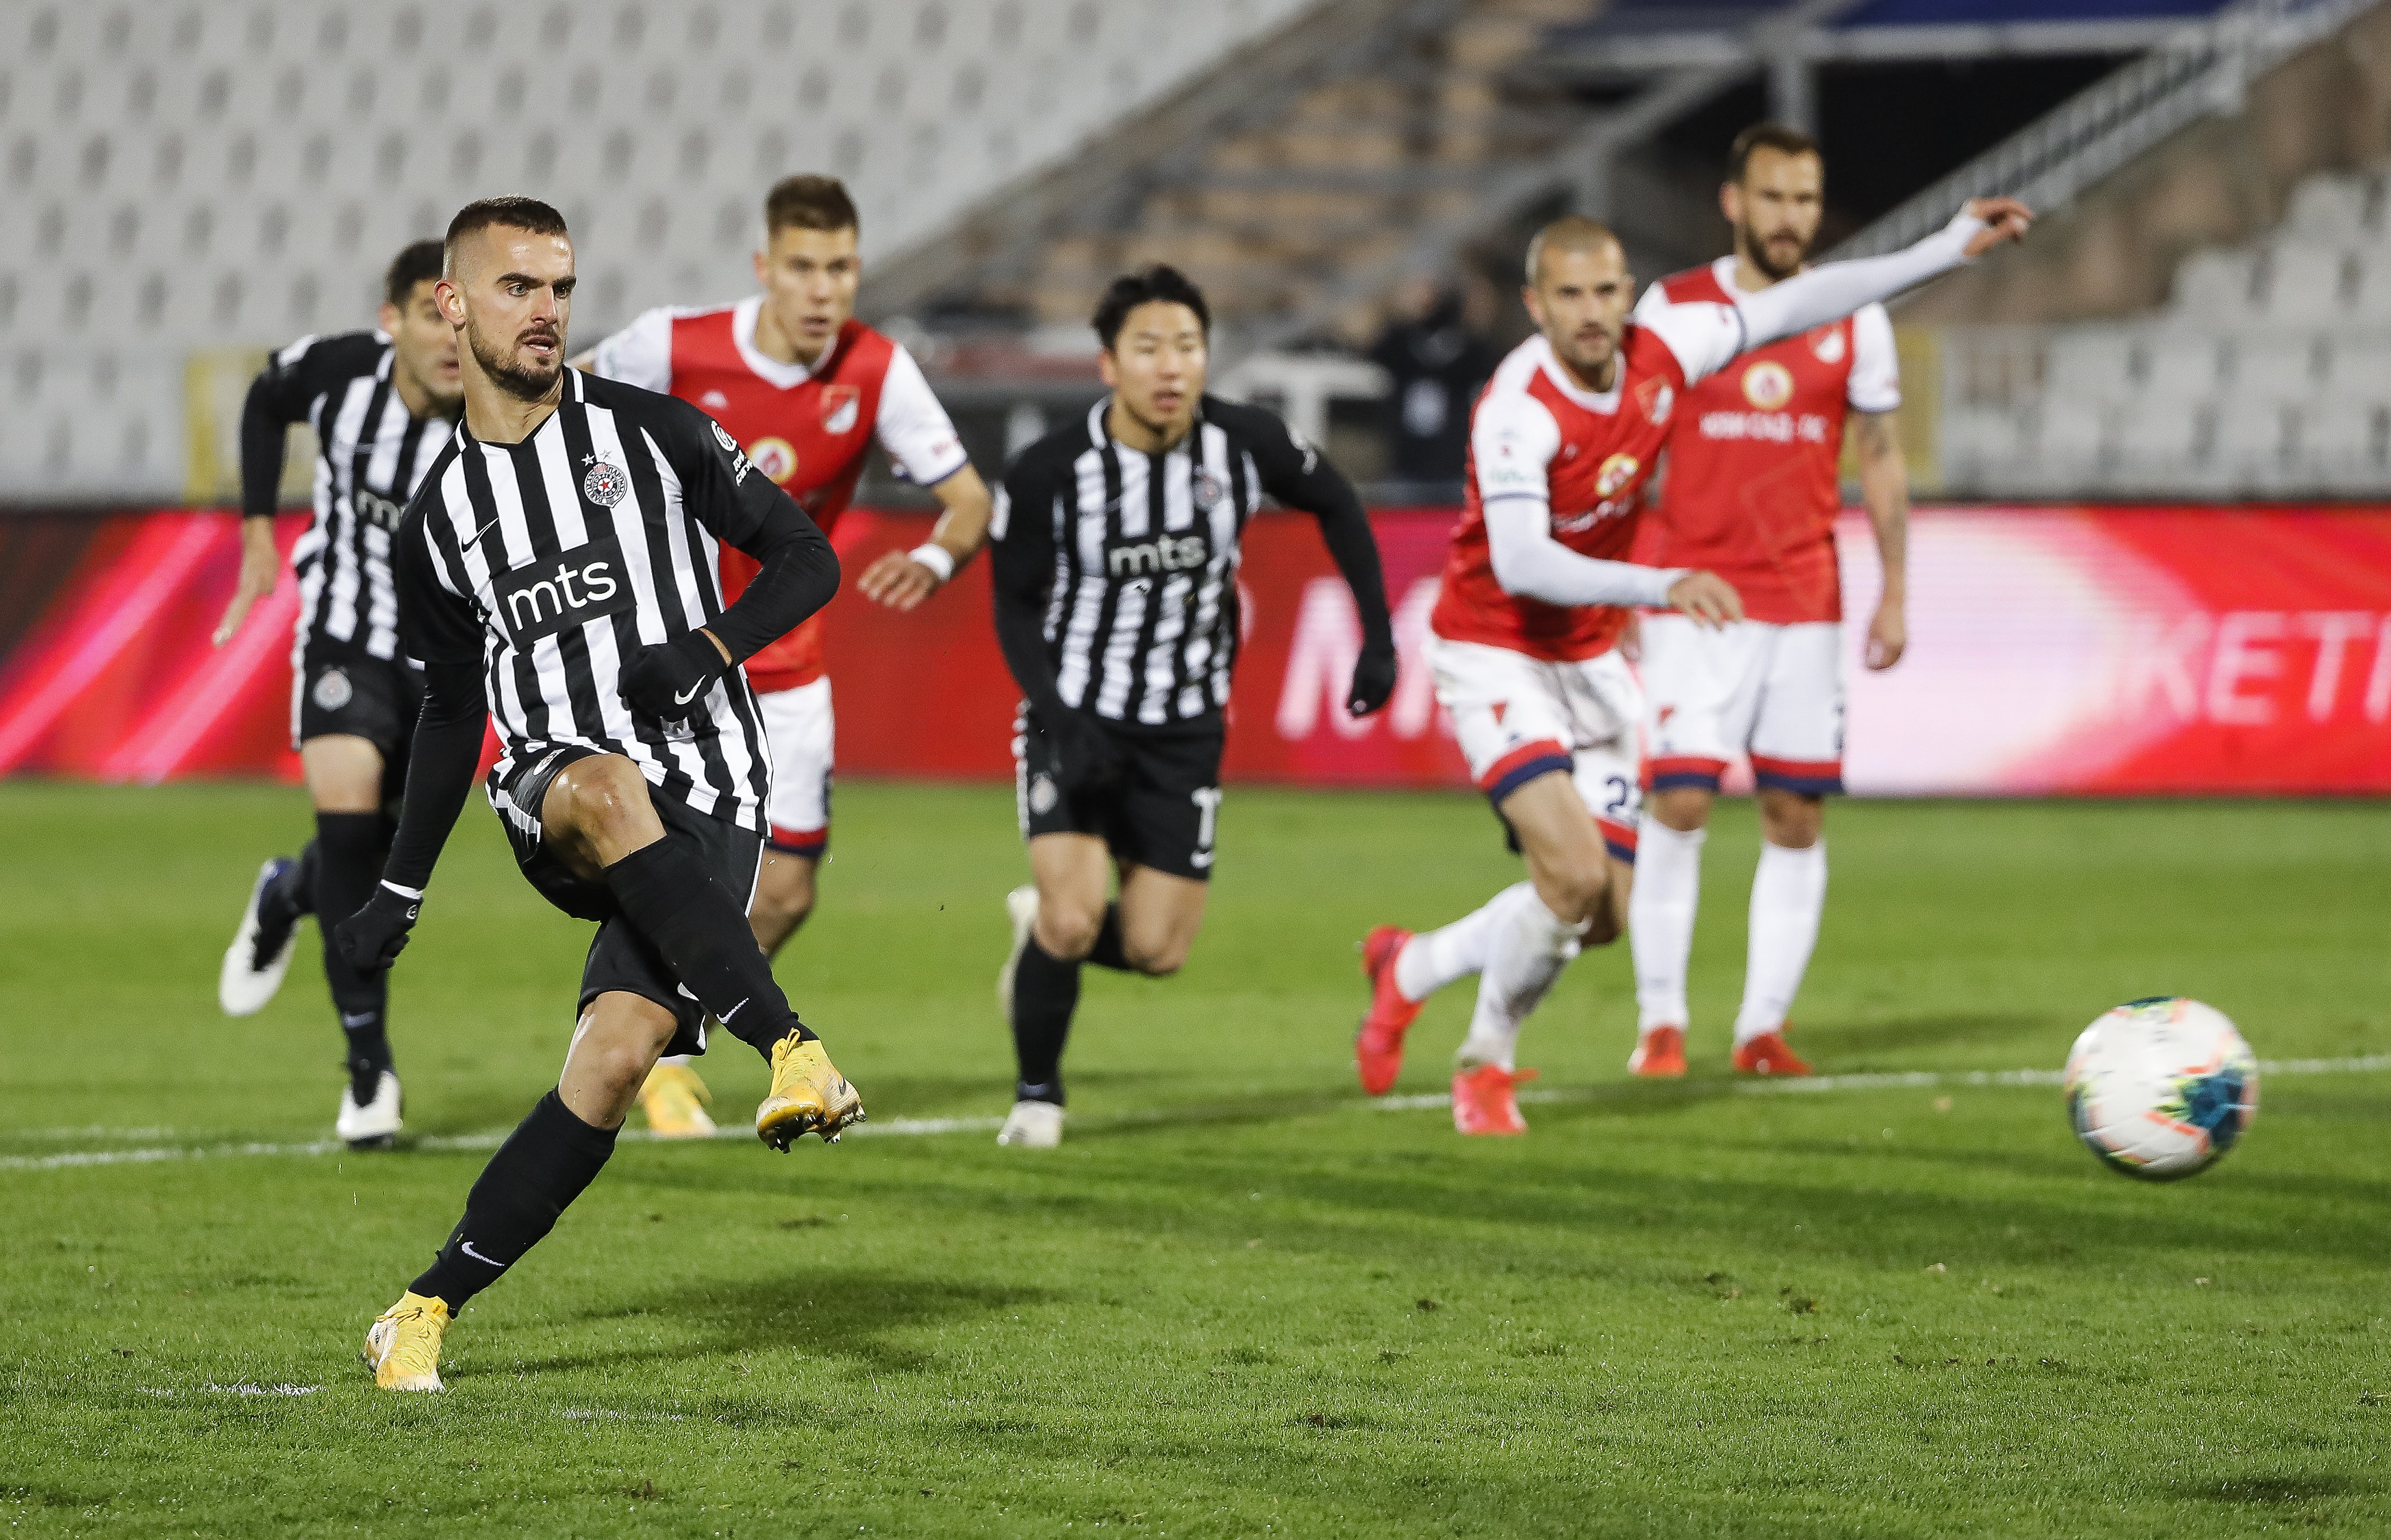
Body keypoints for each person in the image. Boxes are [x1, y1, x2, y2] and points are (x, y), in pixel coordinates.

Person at [1351, 198, 2031, 1135]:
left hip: (1588, 657)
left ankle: (1412, 966)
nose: (1590, 313)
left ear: (1627, 294)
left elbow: (1810, 299)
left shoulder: (1666, 347)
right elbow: (1520, 560)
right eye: (1568, 296)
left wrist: (1942, 249)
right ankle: (1485, 1059)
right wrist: (1659, 581)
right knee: (1573, 876)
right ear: (1533, 305)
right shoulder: (1516, 407)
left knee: (1597, 915)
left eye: (1604, 292)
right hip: (1495, 653)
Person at [337, 198, 861, 1392]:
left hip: (714, 788)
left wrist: (713, 649)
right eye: (519, 287)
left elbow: (808, 556)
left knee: (615, 1061)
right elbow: (452, 709)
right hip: (557, 786)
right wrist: (399, 887)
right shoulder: (438, 521)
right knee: (603, 782)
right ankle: (791, 1044)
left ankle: (423, 1304)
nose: (549, 312)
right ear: (450, 304)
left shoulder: (660, 434)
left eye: (563, 287)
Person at [578, 173, 992, 1138]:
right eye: (802, 268)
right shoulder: (672, 343)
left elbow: (969, 499)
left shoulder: (875, 370)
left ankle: (661, 1020)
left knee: (790, 888)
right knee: (684, 871)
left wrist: (933, 557)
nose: (822, 291)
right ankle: (665, 1060)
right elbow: (563, 416)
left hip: (790, 669)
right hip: (672, 667)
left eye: (840, 269)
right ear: (764, 268)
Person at [988, 264, 1397, 1149]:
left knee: (1155, 951)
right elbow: (1014, 609)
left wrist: (1375, 635)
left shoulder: (1241, 442)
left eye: (1187, 346)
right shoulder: (1048, 472)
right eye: (1147, 348)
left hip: (1184, 728)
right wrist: (1059, 717)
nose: (1170, 367)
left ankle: (1041, 934)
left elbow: (1334, 500)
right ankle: (1036, 1098)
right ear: (1107, 365)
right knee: (1070, 913)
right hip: (1077, 716)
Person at [1625, 124, 1913, 1080]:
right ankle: (1658, 1022)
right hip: (1692, 602)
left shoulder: (1850, 315)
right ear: (1732, 202)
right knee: (1678, 797)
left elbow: (1875, 452)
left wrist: (1892, 592)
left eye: (1803, 199)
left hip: (1803, 604)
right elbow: (1627, 448)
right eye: (1772, 197)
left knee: (1793, 813)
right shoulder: (1674, 309)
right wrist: (1621, 579)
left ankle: (1758, 1028)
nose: (1789, 217)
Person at [212, 239, 462, 1149]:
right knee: (348, 811)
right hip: (343, 635)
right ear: (391, 319)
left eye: (460, 315)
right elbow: (263, 398)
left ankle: (289, 889)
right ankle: (369, 1071)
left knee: (368, 854)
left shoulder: (503, 411)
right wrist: (254, 531)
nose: (449, 336)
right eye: (431, 315)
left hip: (444, 665)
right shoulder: (338, 374)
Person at [1368, 274, 1500, 490]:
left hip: (1452, 464)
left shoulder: (1472, 349)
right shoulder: (1401, 341)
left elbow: (1491, 368)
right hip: (1406, 462)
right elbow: (1374, 348)